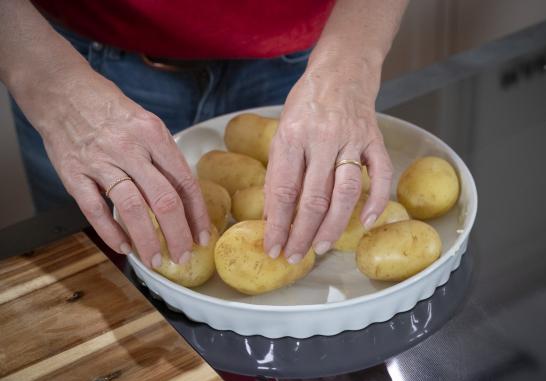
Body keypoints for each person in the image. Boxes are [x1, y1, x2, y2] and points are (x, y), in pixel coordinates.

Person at [0, 0, 408, 269]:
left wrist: (353, 62)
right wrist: (48, 83)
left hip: (314, 58)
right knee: (84, 282)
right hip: (71, 71)